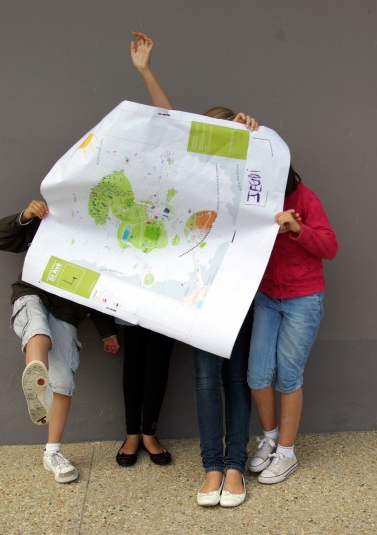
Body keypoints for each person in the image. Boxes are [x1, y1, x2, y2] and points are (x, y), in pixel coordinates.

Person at [130, 31, 257, 507]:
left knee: (236, 377)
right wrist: (146, 72)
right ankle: (211, 468)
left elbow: (268, 168)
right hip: (198, 287)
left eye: (226, 134)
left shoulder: (245, 169)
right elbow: (169, 123)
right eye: (210, 134)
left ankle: (235, 467)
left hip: (238, 286)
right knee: (206, 378)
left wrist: (252, 133)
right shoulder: (188, 172)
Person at [0, 199, 120, 483]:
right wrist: (25, 214)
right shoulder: (50, 218)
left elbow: (101, 290)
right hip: (33, 292)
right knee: (37, 330)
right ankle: (36, 379)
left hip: (68, 313)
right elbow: (1, 239)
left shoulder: (104, 239)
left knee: (62, 382)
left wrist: (107, 331)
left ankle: (53, 452)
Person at [246, 165, 338, 484]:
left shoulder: (305, 198)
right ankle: (270, 439)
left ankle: (287, 453)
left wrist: (299, 228)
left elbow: (330, 247)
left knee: (288, 376)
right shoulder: (254, 199)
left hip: (303, 298)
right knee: (257, 374)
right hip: (267, 296)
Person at [114, 320, 174, 466]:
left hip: (168, 310)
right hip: (132, 309)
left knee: (159, 362)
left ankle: (149, 434)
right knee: (132, 362)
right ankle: (132, 434)